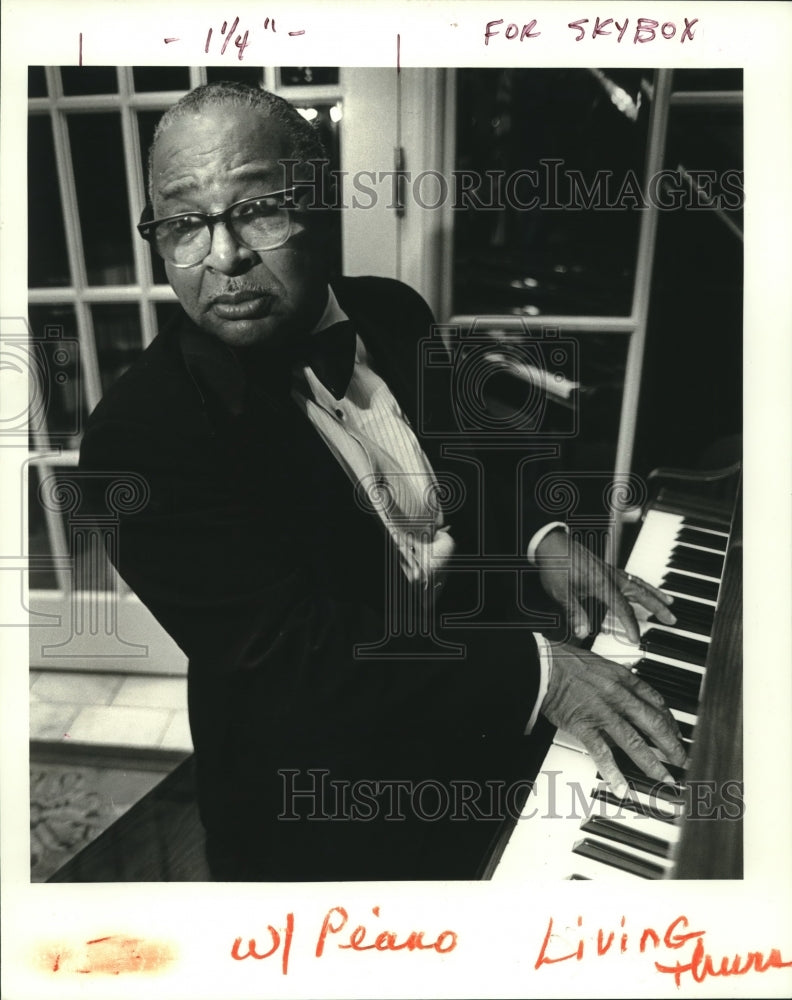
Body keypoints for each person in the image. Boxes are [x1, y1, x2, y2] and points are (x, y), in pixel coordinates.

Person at [78, 81, 685, 881]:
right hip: (328, 809)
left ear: (323, 203)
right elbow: (294, 663)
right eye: (186, 224)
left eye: (259, 208)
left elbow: (476, 458)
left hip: (490, 727)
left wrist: (545, 539)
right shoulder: (140, 437)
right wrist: (543, 674)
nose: (223, 258)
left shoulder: (393, 312)